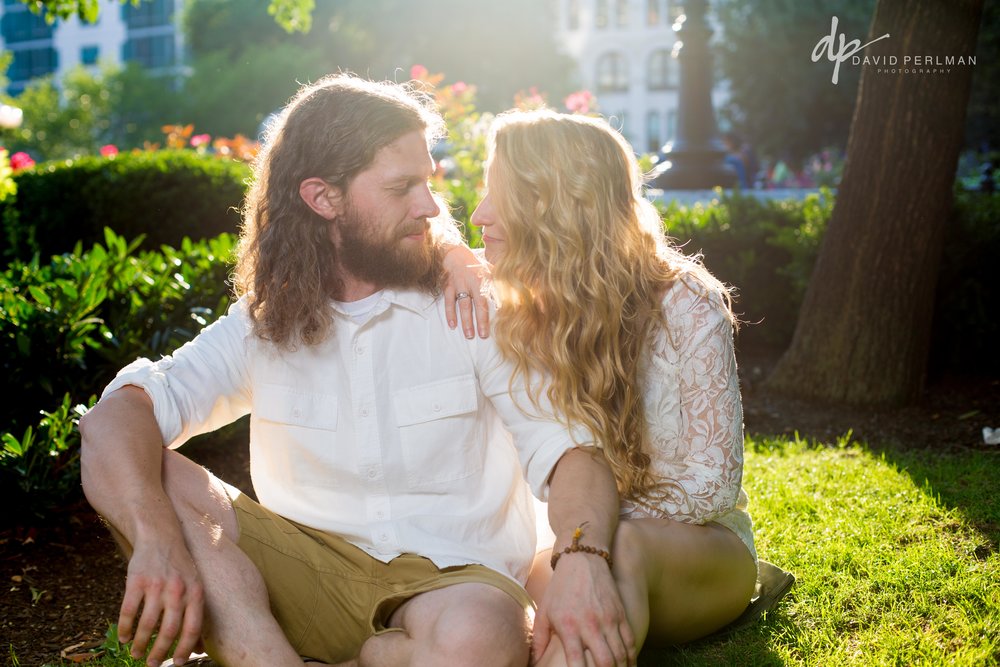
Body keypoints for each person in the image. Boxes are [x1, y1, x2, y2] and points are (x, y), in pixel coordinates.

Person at [79, 76, 624, 667]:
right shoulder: (262, 323)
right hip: (301, 580)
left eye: (427, 182)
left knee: (480, 634)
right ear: (323, 198)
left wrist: (583, 560)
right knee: (143, 464)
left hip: (454, 586)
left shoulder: (471, 304)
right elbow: (113, 418)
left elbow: (570, 450)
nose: (432, 206)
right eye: (401, 188)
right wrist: (155, 539)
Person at [470, 109, 763, 665]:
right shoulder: (509, 310)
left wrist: (594, 534)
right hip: (567, 545)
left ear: (557, 205)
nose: (479, 214)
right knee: (510, 597)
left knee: (614, 554)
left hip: (697, 551)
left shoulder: (683, 302)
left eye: (498, 194)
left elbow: (713, 484)